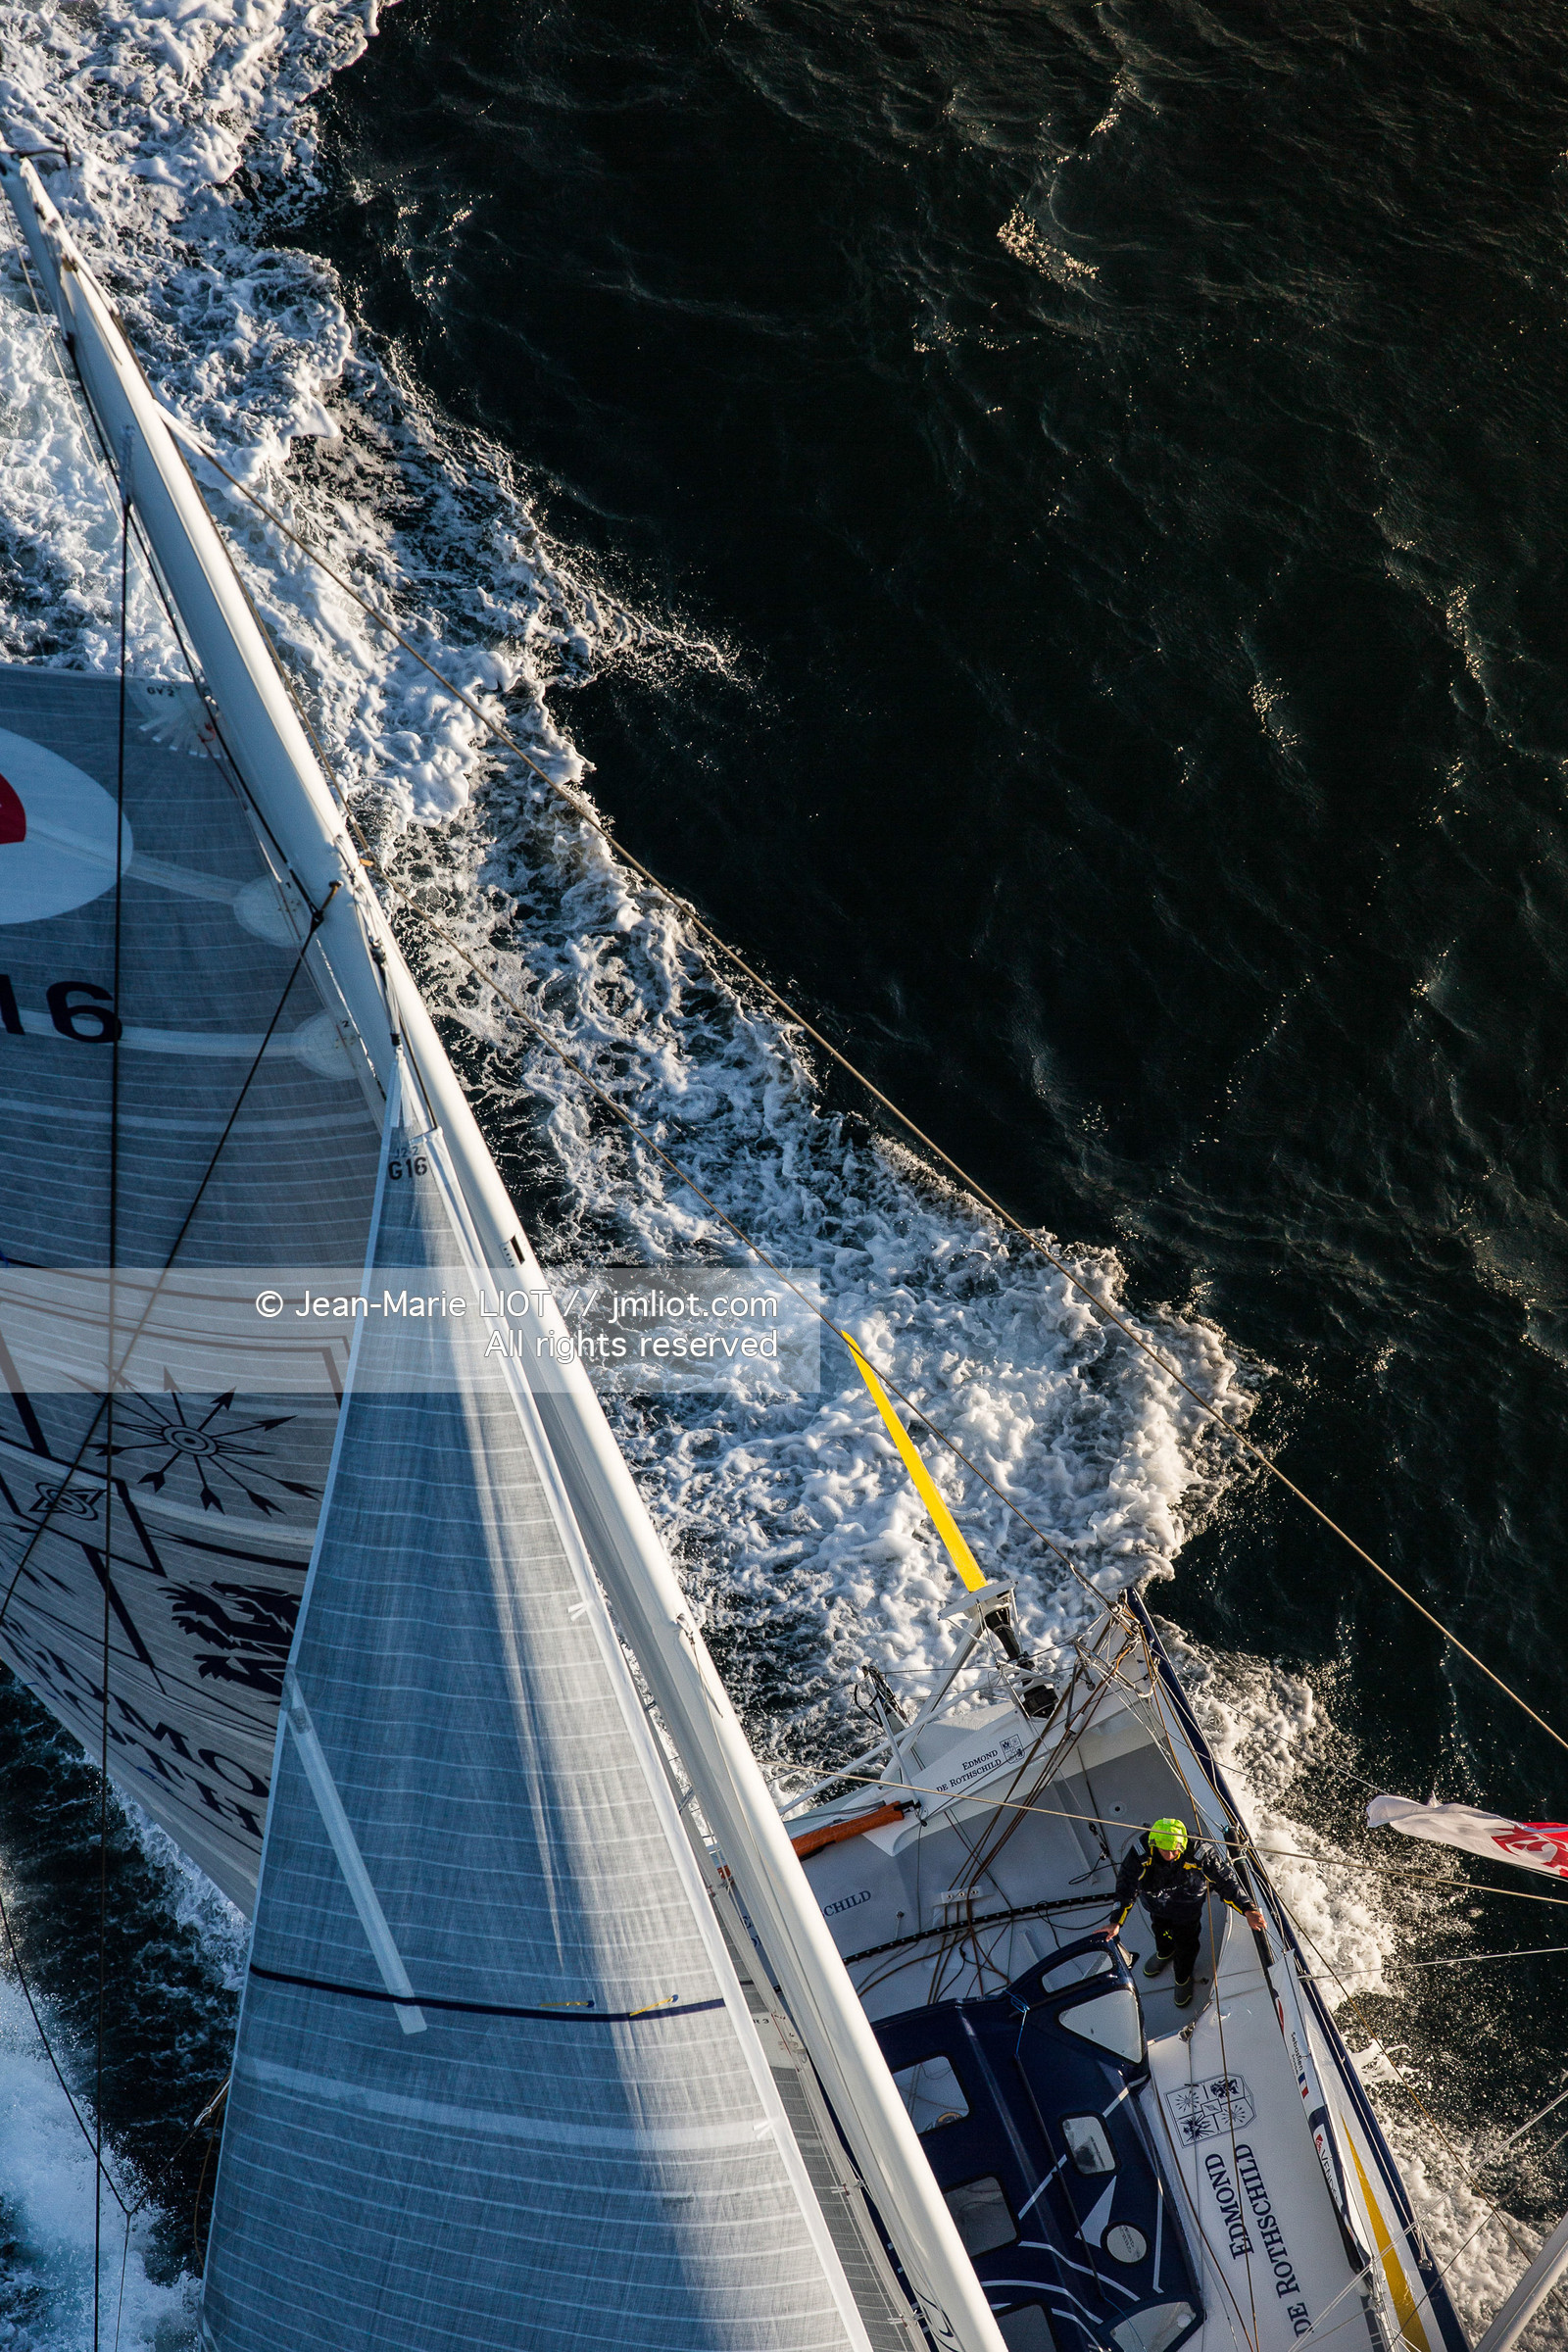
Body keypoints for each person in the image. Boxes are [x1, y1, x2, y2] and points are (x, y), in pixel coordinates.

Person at [1103, 1817, 1265, 2010]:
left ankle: (1182, 1978)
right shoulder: (1140, 1852)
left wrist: (1247, 1908)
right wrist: (1116, 1922)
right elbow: (1126, 1886)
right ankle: (1164, 1952)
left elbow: (1225, 1880)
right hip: (1156, 1904)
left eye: (1175, 1849)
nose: (1170, 1854)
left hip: (1187, 1906)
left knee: (1186, 1944)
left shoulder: (1199, 1851)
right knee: (1160, 1931)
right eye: (1165, 1849)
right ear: (1154, 1844)